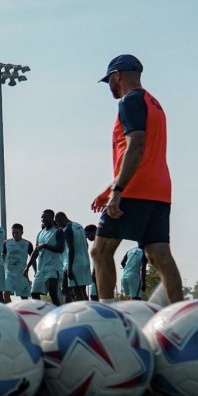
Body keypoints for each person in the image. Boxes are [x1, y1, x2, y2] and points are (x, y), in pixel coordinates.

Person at [90, 54, 184, 305]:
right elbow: (144, 155)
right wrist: (109, 188)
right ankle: (182, 317)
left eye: (109, 80)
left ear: (117, 75)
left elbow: (136, 146)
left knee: (100, 251)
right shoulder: (154, 103)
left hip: (134, 190)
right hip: (160, 190)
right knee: (159, 255)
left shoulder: (130, 101)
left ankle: (107, 316)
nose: (110, 87)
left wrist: (118, 190)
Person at [26, 209, 63, 305]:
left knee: (53, 293)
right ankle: (40, 312)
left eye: (45, 217)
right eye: (42, 217)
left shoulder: (58, 231)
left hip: (53, 268)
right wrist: (27, 267)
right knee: (34, 293)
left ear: (51, 218)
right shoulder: (40, 233)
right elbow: (36, 251)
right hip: (41, 269)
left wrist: (45, 246)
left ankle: (57, 313)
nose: (42, 219)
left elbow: (60, 249)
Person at [56, 212, 92, 302]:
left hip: (75, 264)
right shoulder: (79, 226)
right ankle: (88, 311)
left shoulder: (68, 229)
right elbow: (86, 245)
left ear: (60, 220)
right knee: (82, 291)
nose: (58, 226)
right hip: (85, 262)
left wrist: (69, 267)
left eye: (57, 223)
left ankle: (78, 312)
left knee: (73, 291)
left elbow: (71, 248)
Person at [3, 223, 33, 300]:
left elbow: (33, 258)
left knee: (24, 298)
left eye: (17, 233)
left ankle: (23, 310)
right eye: (13, 233)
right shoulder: (6, 243)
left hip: (22, 274)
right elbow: (2, 257)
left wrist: (36, 271)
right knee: (6, 294)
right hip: (9, 273)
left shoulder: (27, 244)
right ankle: (11, 310)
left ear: (22, 233)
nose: (15, 235)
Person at [84, 225, 100, 300]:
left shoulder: (99, 242)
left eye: (87, 234)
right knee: (93, 295)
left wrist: (94, 272)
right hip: (95, 272)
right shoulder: (95, 243)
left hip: (99, 272)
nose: (87, 237)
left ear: (94, 232)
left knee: (96, 295)